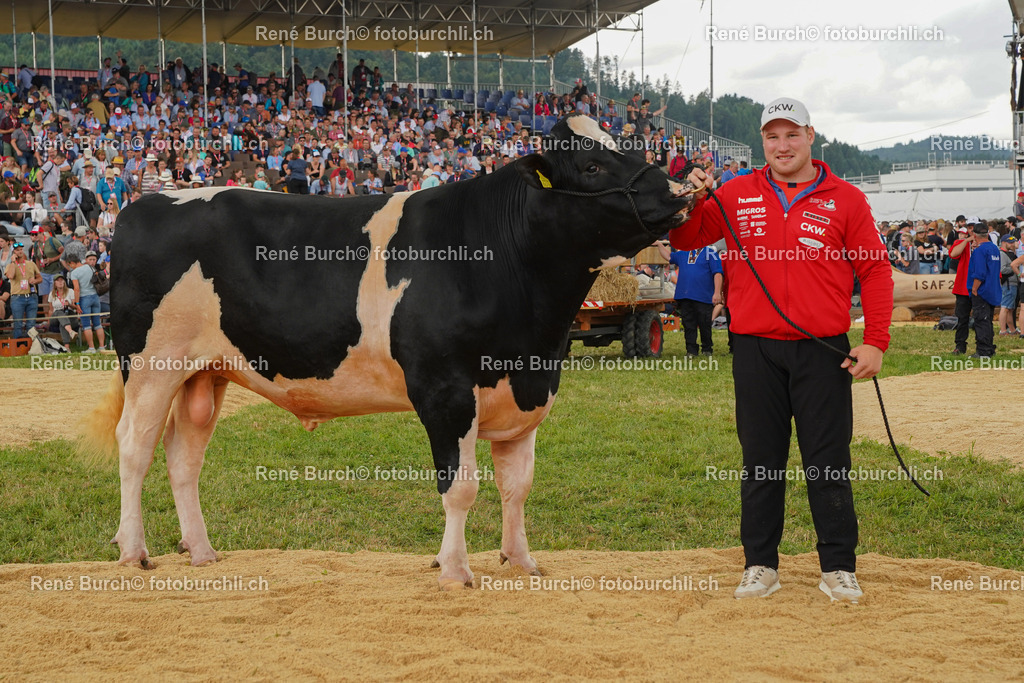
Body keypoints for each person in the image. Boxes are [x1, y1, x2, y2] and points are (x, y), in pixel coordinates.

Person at [676, 97, 893, 603]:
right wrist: (694, 197)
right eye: (772, 136)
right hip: (755, 349)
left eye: (792, 134)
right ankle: (760, 565)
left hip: (824, 351)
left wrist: (876, 341)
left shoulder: (846, 198)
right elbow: (686, 239)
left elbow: (875, 270)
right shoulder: (735, 193)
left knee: (828, 462)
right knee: (761, 462)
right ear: (762, 142)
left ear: (810, 136)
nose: (782, 145)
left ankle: (838, 567)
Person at [659, 242, 722, 355]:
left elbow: (717, 273)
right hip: (685, 295)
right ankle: (691, 350)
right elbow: (668, 256)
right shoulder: (683, 253)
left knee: (704, 324)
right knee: (688, 324)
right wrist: (659, 244)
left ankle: (707, 348)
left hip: (703, 295)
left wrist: (717, 293)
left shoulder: (710, 253)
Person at [966, 220, 1001, 358]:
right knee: (987, 320)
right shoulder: (994, 248)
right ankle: (989, 348)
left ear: (975, 235)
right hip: (992, 289)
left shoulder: (980, 251)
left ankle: (983, 350)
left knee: (981, 320)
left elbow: (980, 273)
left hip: (982, 290)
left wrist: (974, 289)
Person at [66, 252, 105, 353]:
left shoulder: (74, 273)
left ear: (72, 263)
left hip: (84, 298)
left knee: (86, 324)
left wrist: (77, 303)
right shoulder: (90, 267)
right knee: (98, 324)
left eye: (69, 265)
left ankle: (91, 348)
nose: (70, 267)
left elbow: (77, 289)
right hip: (95, 297)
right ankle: (102, 347)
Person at [5, 240, 42, 339]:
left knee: (31, 324)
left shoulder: (31, 264)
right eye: (17, 250)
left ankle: (32, 344)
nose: (20, 251)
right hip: (17, 297)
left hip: (31, 295)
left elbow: (40, 278)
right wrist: (13, 261)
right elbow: (10, 276)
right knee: (18, 324)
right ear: (13, 252)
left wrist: (35, 280)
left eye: (21, 249)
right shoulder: (10, 265)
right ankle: (18, 345)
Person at [948, 221, 975, 354]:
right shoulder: (962, 242)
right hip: (963, 287)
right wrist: (967, 240)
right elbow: (953, 254)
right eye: (969, 228)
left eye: (974, 228)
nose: (972, 230)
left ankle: (983, 346)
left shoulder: (986, 243)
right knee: (962, 318)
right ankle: (960, 346)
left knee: (982, 318)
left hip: (980, 287)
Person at [47, 274, 78, 348]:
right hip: (56, 317)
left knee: (63, 323)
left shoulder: (70, 291)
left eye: (62, 280)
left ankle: (67, 347)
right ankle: (70, 331)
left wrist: (69, 304)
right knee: (59, 312)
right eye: (58, 280)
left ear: (64, 282)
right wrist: (48, 322)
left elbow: (75, 307)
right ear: (55, 283)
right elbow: (51, 310)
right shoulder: (52, 294)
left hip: (68, 314)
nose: (60, 282)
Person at [999, 235, 1021, 336]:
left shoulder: (1009, 254)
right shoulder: (1002, 254)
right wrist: (1015, 269)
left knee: (1010, 308)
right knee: (1005, 307)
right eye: (1010, 242)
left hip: (1011, 283)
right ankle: (1003, 330)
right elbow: (1002, 269)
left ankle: (1012, 329)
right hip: (1008, 283)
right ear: (1003, 242)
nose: (1012, 244)